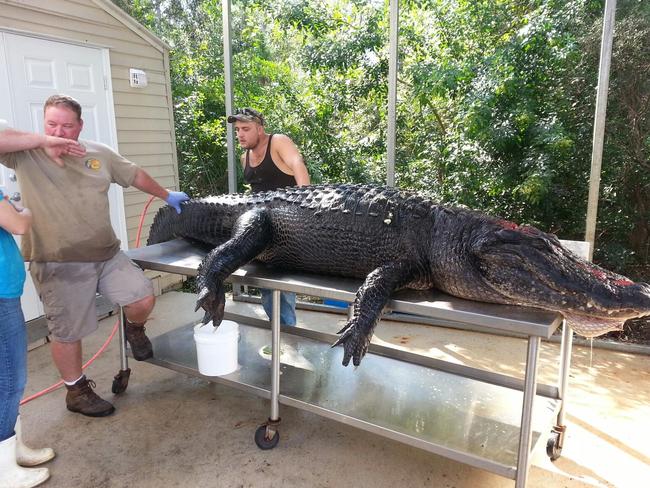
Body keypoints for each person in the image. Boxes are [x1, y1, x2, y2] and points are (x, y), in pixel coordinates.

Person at [0, 95, 189, 418]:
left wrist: (166, 194)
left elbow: (135, 174)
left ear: (80, 126)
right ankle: (76, 390)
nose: (59, 131)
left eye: (66, 125)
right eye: (52, 124)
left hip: (107, 254)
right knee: (68, 331)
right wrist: (45, 141)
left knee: (142, 296)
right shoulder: (25, 153)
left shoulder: (98, 153)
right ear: (43, 124)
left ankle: (135, 329)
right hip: (58, 262)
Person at [227, 108, 310, 326]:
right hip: (262, 230)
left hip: (288, 227)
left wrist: (306, 201)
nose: (240, 135)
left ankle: (287, 335)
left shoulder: (278, 142)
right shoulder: (244, 156)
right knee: (265, 286)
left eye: (246, 129)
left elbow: (297, 164)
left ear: (260, 129)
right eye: (237, 130)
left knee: (282, 288)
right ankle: (280, 332)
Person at [0, 187, 53, 487]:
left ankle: (13, 447)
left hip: (5, 292)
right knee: (9, 381)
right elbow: (18, 224)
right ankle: (4, 470)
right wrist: (25, 208)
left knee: (7, 379)